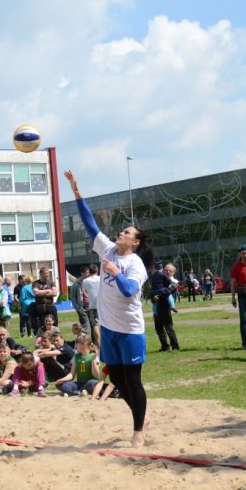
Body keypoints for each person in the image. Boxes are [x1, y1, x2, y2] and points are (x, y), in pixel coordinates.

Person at [66, 169, 152, 448]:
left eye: (126, 232)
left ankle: (138, 430)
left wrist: (115, 271)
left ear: (135, 242)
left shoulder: (134, 264)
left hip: (130, 330)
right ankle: (142, 416)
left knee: (133, 381)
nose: (121, 233)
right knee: (116, 377)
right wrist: (76, 192)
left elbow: (129, 291)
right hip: (110, 329)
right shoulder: (107, 249)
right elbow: (90, 224)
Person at [149, 263, 180, 352]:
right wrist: (153, 297)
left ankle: (175, 346)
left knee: (168, 327)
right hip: (156, 305)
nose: (167, 271)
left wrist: (159, 294)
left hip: (165, 306)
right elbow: (152, 291)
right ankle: (164, 346)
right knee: (159, 328)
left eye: (170, 270)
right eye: (166, 269)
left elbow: (169, 290)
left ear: (173, 273)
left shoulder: (174, 281)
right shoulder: (159, 279)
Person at [32, 267, 59, 331]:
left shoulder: (51, 282)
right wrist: (48, 291)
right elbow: (36, 292)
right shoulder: (35, 283)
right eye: (46, 273)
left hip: (50, 306)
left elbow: (55, 293)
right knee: (42, 323)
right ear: (41, 274)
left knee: (54, 322)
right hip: (41, 306)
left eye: (48, 273)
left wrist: (41, 293)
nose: (47, 275)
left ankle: (54, 335)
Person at [83, 264, 101, 346]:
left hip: (92, 305)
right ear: (97, 270)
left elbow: (85, 291)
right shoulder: (101, 279)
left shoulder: (85, 281)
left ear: (89, 272)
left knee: (95, 325)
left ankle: (98, 343)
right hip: (103, 305)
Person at [70, 266, 90, 331]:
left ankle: (95, 341)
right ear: (82, 273)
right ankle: (84, 340)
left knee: (94, 326)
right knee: (84, 327)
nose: (88, 274)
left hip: (91, 307)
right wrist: (77, 308)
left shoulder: (91, 281)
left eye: (88, 273)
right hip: (82, 308)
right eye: (87, 273)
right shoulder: (76, 284)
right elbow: (72, 297)